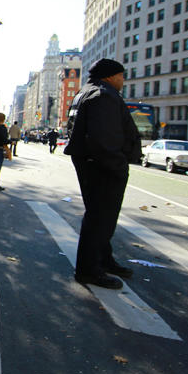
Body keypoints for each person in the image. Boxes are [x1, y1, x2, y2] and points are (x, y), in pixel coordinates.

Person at [64, 59, 140, 290]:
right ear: (111, 75)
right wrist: (118, 165)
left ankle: (103, 259)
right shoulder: (103, 95)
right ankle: (88, 270)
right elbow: (102, 137)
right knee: (100, 218)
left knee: (101, 217)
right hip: (102, 166)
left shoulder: (85, 92)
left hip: (92, 163)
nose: (123, 81)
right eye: (121, 76)